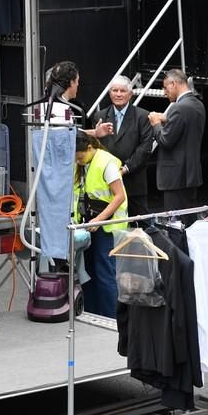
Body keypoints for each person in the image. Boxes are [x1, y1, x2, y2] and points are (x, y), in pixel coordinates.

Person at [73, 130, 128, 318]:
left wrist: (100, 219)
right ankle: (91, 312)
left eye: (80, 157)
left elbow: (119, 196)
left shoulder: (107, 163)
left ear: (90, 148)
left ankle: (110, 317)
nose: (78, 161)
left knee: (105, 273)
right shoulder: (85, 162)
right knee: (88, 271)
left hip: (108, 227)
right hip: (89, 224)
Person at [148, 69, 205, 225]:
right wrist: (167, 120)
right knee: (188, 222)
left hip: (176, 177)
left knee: (176, 225)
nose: (165, 93)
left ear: (173, 84)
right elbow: (184, 129)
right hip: (191, 174)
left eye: (165, 88)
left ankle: (178, 250)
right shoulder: (198, 104)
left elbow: (166, 140)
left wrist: (156, 124)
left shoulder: (178, 108)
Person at [91, 75, 153, 216]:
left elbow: (145, 148)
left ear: (130, 94)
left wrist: (126, 168)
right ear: (109, 93)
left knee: (139, 229)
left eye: (123, 91)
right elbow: (96, 147)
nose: (118, 94)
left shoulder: (142, 116)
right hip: (107, 185)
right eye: (115, 90)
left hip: (134, 184)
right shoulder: (99, 116)